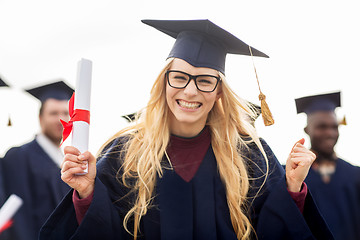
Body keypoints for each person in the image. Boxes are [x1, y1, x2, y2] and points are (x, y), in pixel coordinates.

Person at [40, 19, 333, 240]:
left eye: (205, 80)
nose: (190, 91)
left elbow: (270, 228)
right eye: (179, 77)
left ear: (219, 92)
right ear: (164, 82)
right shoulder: (125, 152)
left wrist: (292, 187)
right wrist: (88, 192)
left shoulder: (251, 155)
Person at [1, 80, 73, 240]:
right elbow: (19, 218)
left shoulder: (67, 160)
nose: (60, 119)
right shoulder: (19, 156)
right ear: (40, 118)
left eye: (65, 113)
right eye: (53, 113)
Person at [296, 91, 360, 240]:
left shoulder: (355, 175)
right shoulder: (292, 177)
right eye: (322, 127)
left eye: (334, 127)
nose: (330, 133)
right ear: (307, 130)